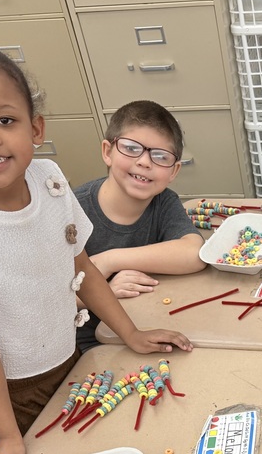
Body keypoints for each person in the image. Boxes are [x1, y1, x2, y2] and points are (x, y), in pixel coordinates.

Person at [0, 42, 193, 454]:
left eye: (6, 120)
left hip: (71, 360)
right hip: (12, 391)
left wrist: (131, 335)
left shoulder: (50, 181)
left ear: (35, 128)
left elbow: (82, 269)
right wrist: (6, 435)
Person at [74, 100, 205, 351]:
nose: (145, 162)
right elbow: (44, 302)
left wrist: (109, 261)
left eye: (160, 156)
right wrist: (104, 291)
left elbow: (193, 252)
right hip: (88, 345)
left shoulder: (163, 202)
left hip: (147, 323)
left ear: (174, 171)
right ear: (107, 152)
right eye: (131, 148)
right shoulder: (72, 212)